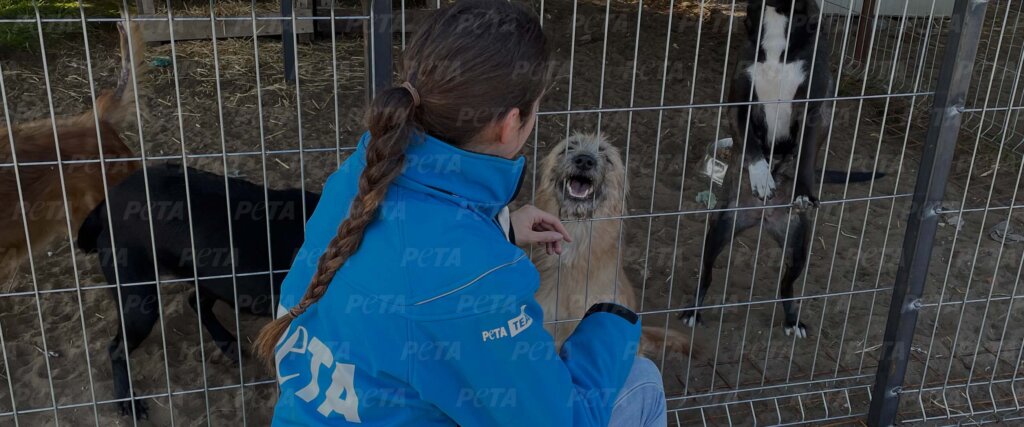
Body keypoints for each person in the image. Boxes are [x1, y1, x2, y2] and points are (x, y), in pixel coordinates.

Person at [256, 1, 667, 425]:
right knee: (643, 379)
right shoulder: (480, 282)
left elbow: (405, 260)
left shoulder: (358, 173)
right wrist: (612, 321)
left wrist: (498, 228)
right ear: (510, 124)